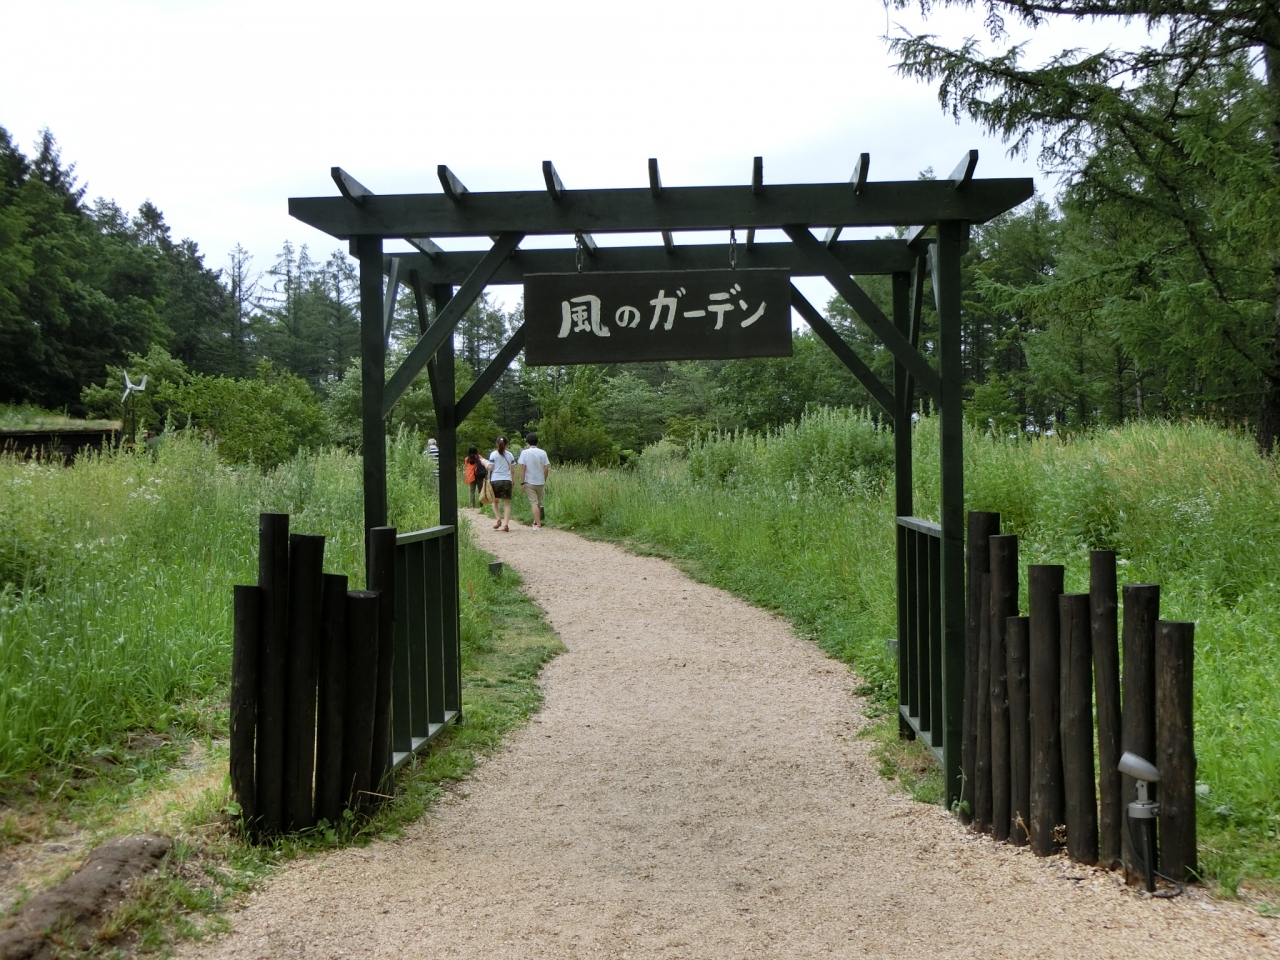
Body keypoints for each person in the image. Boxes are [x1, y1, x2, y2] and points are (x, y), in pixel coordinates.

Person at [517, 432, 551, 530]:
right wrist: (544, 479)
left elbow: (523, 468)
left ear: (527, 442)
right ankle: (536, 521)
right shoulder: (543, 452)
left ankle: (538, 524)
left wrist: (522, 482)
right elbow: (546, 468)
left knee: (533, 502)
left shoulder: (525, 453)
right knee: (538, 502)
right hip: (540, 481)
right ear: (537, 442)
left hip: (529, 481)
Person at [483, 436, 516, 532]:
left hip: (495, 480)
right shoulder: (510, 455)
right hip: (507, 480)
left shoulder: (493, 454)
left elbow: (491, 468)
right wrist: (513, 480)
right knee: (506, 504)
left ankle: (498, 519)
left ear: (497, 443)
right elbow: (512, 470)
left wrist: (484, 463)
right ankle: (506, 524)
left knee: (495, 501)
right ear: (507, 445)